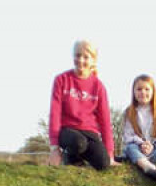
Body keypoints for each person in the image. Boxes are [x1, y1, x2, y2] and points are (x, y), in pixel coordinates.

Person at [48, 40, 115, 170]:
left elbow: (105, 120)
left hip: (90, 132)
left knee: (104, 163)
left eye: (85, 57)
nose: (80, 60)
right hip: (67, 131)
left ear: (93, 61)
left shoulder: (99, 86)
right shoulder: (61, 80)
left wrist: (110, 152)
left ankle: (81, 157)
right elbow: (54, 114)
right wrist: (55, 148)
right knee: (78, 143)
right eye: (77, 55)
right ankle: (70, 157)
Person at [122, 74, 156, 185]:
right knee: (130, 148)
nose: (143, 92)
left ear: (153, 91)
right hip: (137, 146)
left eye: (147, 89)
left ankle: (137, 160)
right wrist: (141, 144)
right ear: (134, 92)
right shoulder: (129, 112)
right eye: (139, 89)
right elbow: (127, 136)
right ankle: (149, 169)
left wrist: (152, 146)